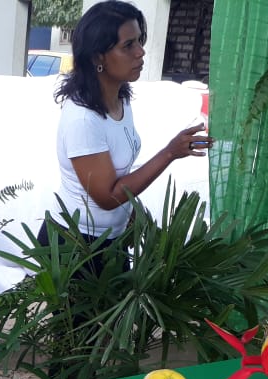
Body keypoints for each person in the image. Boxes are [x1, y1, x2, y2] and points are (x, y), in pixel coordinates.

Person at [41, 0, 214, 273]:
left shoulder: (120, 98)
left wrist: (131, 214)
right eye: (128, 45)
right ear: (98, 57)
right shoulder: (83, 119)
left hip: (111, 240)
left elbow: (117, 173)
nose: (141, 52)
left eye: (139, 41)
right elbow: (108, 196)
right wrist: (170, 152)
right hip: (77, 247)